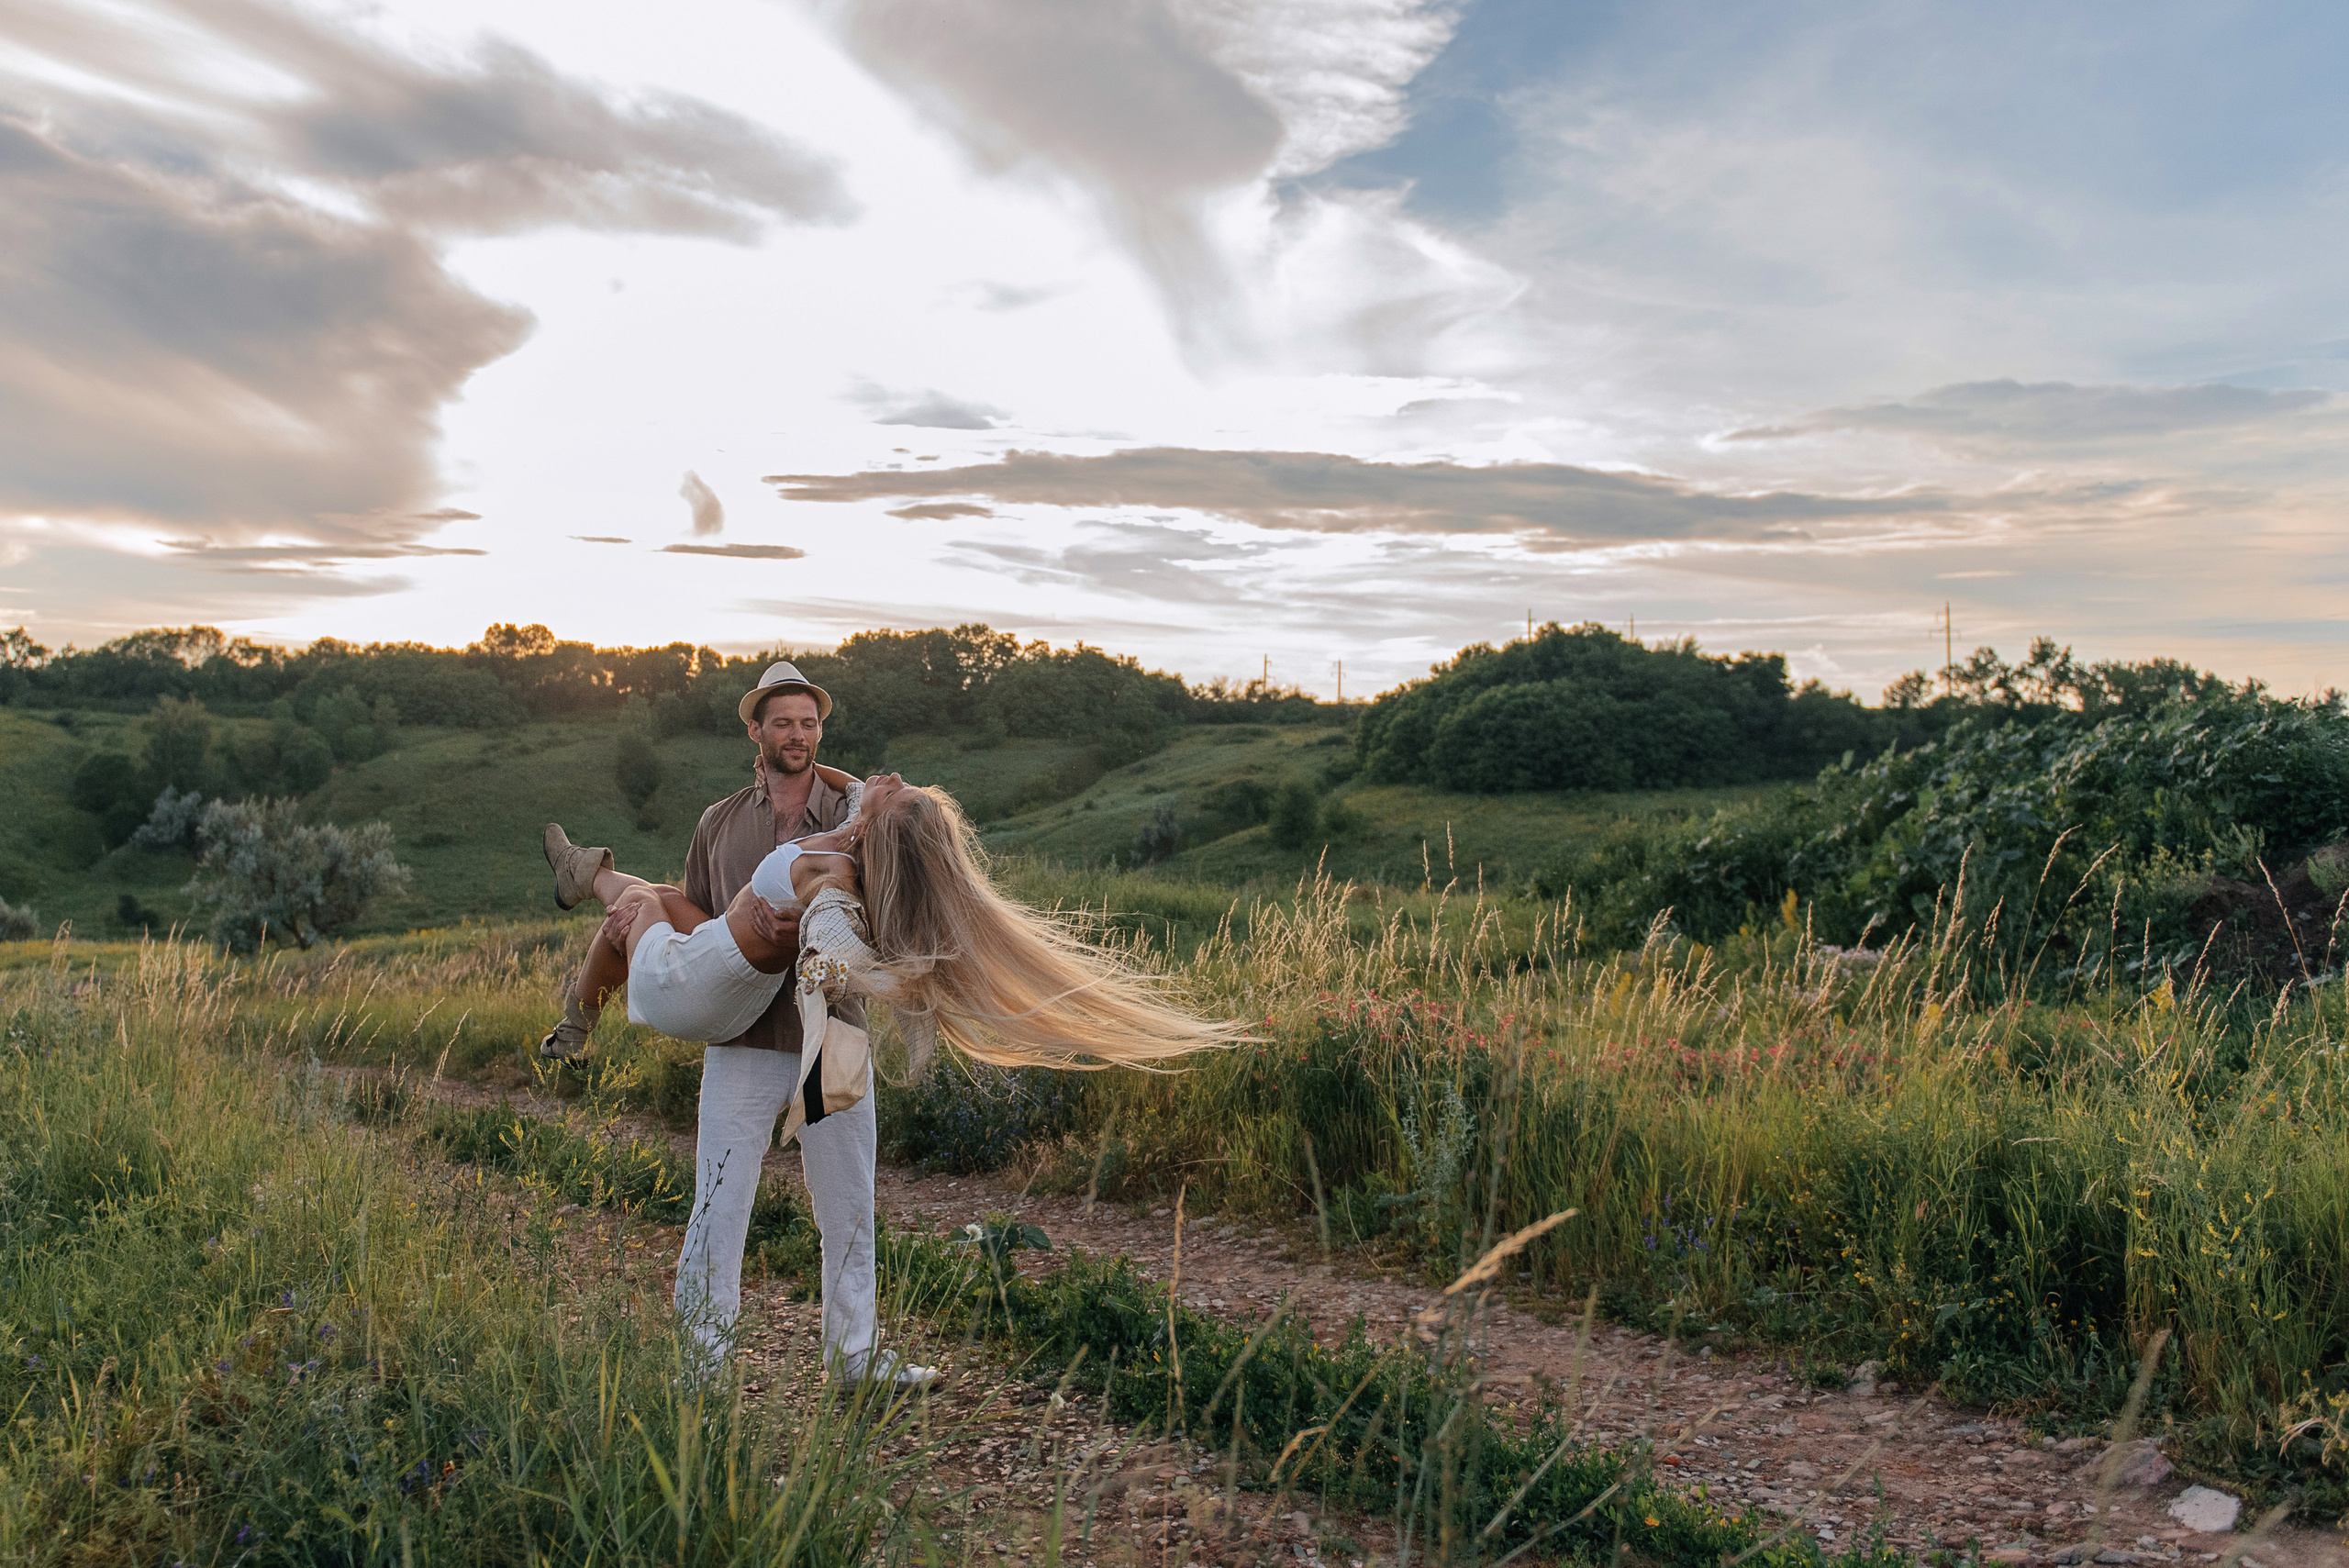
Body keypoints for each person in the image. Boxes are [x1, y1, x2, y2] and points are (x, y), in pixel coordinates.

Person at [539, 660, 1238, 1387]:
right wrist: (687, 921)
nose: (799, 734)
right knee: (718, 1208)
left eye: (810, 723)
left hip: (831, 1037)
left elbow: (892, 855)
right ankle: (701, 1371)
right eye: (784, 721)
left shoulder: (847, 816)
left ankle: (856, 1357)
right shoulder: (720, 822)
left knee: (849, 1207)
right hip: (743, 1042)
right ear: (756, 729)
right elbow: (703, 915)